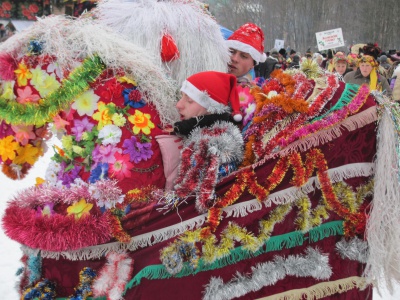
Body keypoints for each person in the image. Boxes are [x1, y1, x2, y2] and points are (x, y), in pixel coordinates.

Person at [172, 71, 244, 210]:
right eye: (181, 97)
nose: (179, 105)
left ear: (211, 108)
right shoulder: (198, 131)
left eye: (189, 100)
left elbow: (194, 202)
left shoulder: (215, 144)